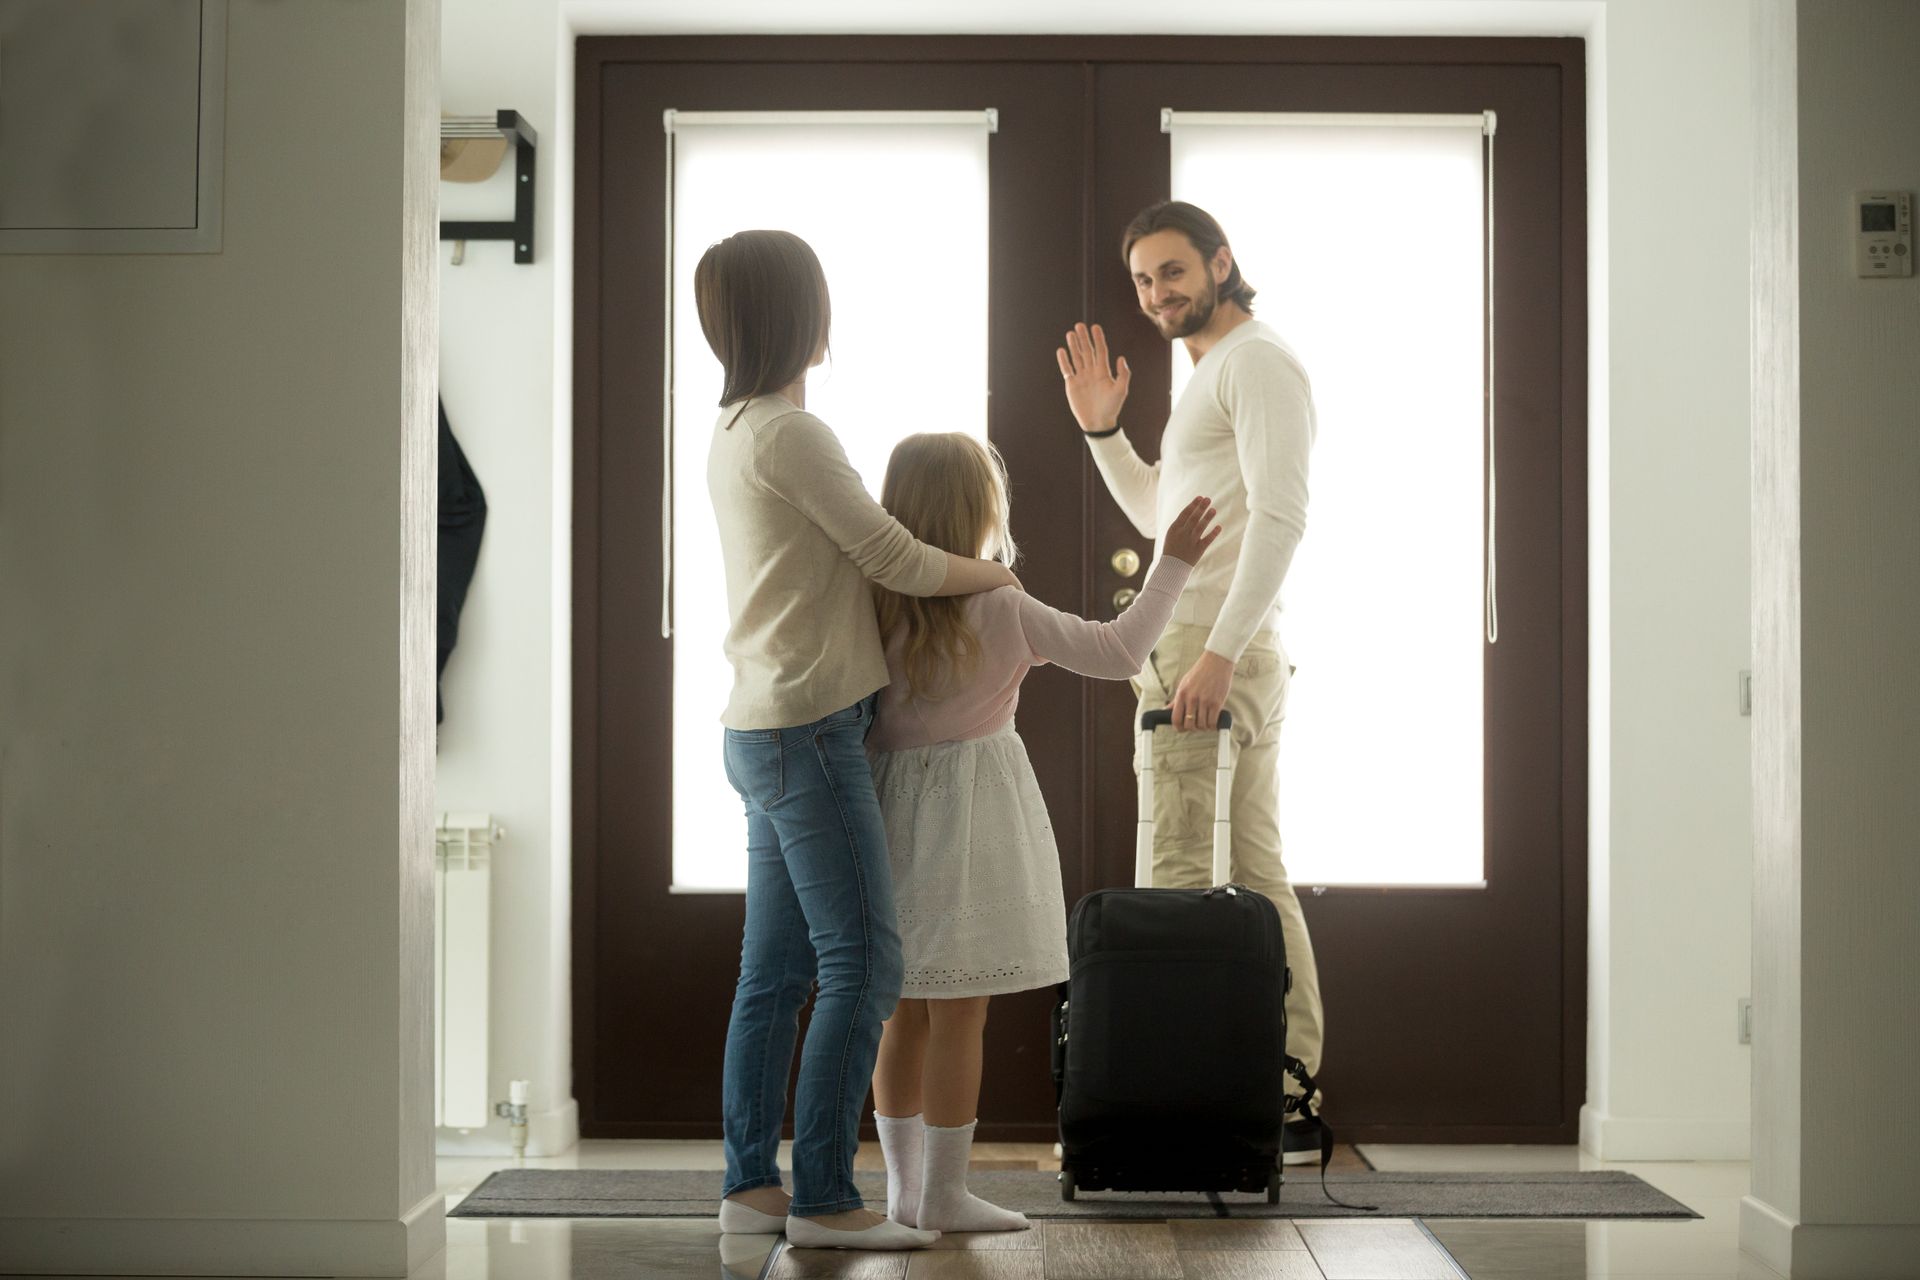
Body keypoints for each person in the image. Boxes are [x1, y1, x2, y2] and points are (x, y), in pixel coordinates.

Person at [699, 230, 1018, 1250]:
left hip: (762, 724)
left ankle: (752, 1187)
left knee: (776, 974)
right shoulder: (794, 433)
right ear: (805, 314)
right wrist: (997, 574)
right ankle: (828, 1198)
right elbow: (893, 554)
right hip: (807, 729)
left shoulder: (737, 429)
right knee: (866, 964)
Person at [864, 431, 1220, 1230]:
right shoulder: (1001, 604)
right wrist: (1173, 564)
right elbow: (1120, 649)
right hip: (974, 815)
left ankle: (902, 1192)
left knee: (898, 1010)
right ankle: (944, 1197)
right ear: (981, 512)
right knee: (960, 1012)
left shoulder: (870, 600)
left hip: (884, 815)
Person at [1055, 200, 1327, 1161]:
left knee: (1177, 881)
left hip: (1215, 651)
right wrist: (1104, 434)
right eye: (1141, 280)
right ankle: (1283, 1104)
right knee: (1252, 875)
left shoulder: (1253, 362)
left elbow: (1283, 518)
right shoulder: (1214, 373)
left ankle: (1169, 1124)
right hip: (1216, 646)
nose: (1156, 293)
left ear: (1221, 263)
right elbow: (1165, 519)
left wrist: (1215, 652)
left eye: (1172, 272)